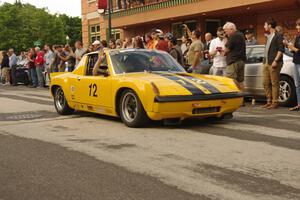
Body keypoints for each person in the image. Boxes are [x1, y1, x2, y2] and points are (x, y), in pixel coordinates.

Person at [261, 18, 284, 109]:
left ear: (270, 25)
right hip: (266, 62)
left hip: (274, 62)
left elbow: (281, 50)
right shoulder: (268, 36)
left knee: (274, 83)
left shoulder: (278, 36)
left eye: (265, 24)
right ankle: (268, 101)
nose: (264, 26)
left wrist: (276, 61)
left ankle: (275, 102)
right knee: (265, 83)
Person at [223, 22, 246, 90]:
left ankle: (234, 95)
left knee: (229, 79)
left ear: (231, 29)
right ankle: (242, 95)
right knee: (240, 81)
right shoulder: (241, 35)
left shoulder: (233, 36)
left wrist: (225, 41)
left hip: (233, 61)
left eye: (226, 31)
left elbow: (226, 49)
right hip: (241, 60)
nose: (226, 33)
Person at [288, 18, 300, 111]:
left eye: (298, 25)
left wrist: (294, 48)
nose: (297, 27)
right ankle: (299, 104)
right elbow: (295, 50)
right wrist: (291, 48)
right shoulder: (298, 36)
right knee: (297, 85)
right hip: (295, 62)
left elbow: (297, 50)